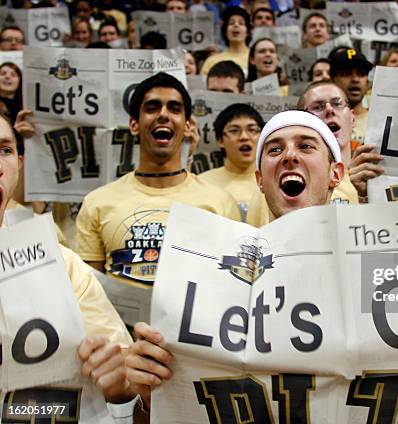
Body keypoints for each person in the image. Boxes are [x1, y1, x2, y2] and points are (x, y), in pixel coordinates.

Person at [125, 110, 398, 417]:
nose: (289, 156)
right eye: (275, 149)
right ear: (260, 178)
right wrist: (149, 389)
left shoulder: (385, 267)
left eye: (306, 146)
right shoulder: (209, 273)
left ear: (336, 172)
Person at [0, 111, 134, 404]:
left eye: (5, 150)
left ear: (19, 167)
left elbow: (122, 370)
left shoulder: (61, 263)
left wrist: (117, 376)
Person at [76, 73, 240, 288]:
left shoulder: (220, 203)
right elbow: (89, 295)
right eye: (152, 108)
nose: (163, 114)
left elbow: (230, 288)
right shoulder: (96, 203)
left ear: (188, 125)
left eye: (174, 108)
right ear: (134, 125)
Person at [298, 80, 384, 204]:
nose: (329, 110)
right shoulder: (290, 184)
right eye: (317, 107)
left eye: (337, 104)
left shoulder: (376, 176)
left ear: (352, 118)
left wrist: (367, 197)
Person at [198, 104, 264, 221]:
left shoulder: (273, 183)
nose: (244, 137)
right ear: (220, 140)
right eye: (234, 131)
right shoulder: (201, 183)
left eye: (252, 130)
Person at [329, 48, 372, 148]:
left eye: (361, 74)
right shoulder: (322, 120)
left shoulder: (379, 120)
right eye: (346, 74)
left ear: (368, 82)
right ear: (332, 81)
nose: (355, 79)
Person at [200, 6, 252, 75]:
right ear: (225, 31)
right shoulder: (211, 61)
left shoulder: (256, 58)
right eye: (231, 23)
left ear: (247, 32)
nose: (236, 25)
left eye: (241, 23)